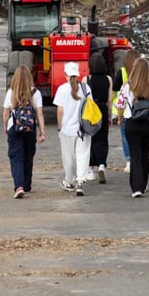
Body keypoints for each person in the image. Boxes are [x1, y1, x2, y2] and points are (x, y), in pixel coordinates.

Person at [115, 57, 149, 197]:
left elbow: (120, 105)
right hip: (147, 124)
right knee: (145, 154)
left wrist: (119, 118)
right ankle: (143, 184)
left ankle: (136, 187)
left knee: (135, 155)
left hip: (131, 122)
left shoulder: (127, 86)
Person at [2, 65, 46, 199]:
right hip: (29, 129)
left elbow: (6, 112)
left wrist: (5, 126)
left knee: (16, 157)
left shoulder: (11, 92)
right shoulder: (35, 93)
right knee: (28, 156)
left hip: (14, 128)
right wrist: (42, 132)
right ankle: (27, 184)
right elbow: (39, 114)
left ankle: (19, 186)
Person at [53, 61, 93, 196]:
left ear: (65, 74)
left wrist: (60, 127)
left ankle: (69, 181)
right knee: (83, 155)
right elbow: (90, 106)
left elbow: (60, 111)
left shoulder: (62, 90)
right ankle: (80, 182)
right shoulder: (86, 88)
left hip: (67, 129)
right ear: (78, 73)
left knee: (68, 156)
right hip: (84, 129)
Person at [82, 53, 113, 184]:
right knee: (102, 139)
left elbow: (83, 99)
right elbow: (110, 99)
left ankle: (90, 169)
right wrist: (110, 115)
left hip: (90, 111)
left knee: (90, 139)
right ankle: (101, 164)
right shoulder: (108, 79)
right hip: (102, 110)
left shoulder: (86, 79)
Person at [113, 49, 141, 174]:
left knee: (125, 136)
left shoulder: (122, 73)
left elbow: (114, 92)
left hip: (126, 112)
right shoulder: (143, 73)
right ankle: (139, 161)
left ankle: (129, 162)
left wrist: (117, 116)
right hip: (142, 112)